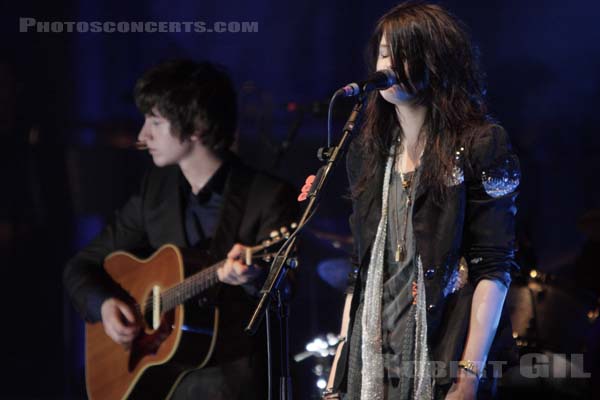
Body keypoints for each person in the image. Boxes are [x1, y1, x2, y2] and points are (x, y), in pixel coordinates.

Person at [63, 59, 298, 399]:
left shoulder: (268, 196)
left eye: (155, 122)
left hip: (232, 378)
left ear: (197, 127)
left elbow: (285, 290)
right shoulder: (155, 191)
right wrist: (104, 305)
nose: (143, 136)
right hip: (160, 375)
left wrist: (255, 278)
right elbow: (81, 266)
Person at [325, 3, 520, 400]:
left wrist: (468, 376)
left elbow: (493, 268)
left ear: (439, 62)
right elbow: (359, 273)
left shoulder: (481, 144)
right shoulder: (367, 153)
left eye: (405, 52)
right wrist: (336, 377)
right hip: (374, 358)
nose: (390, 63)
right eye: (384, 52)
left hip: (444, 351)